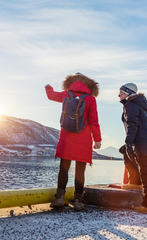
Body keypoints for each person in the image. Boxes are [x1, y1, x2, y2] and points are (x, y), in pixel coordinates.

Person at [45, 73, 102, 211]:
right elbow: (94, 121)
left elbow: (51, 96)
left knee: (63, 168)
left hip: (67, 136)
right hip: (83, 138)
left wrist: (48, 88)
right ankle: (78, 201)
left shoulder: (66, 94)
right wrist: (98, 139)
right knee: (80, 171)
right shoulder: (90, 99)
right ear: (88, 84)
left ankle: (59, 198)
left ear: (71, 82)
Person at [118, 83, 147, 215]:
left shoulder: (131, 104)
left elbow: (132, 124)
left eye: (121, 92)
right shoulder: (137, 103)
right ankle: (135, 182)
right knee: (125, 151)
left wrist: (130, 142)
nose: (119, 95)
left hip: (141, 138)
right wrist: (128, 145)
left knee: (145, 168)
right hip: (145, 137)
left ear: (128, 94)